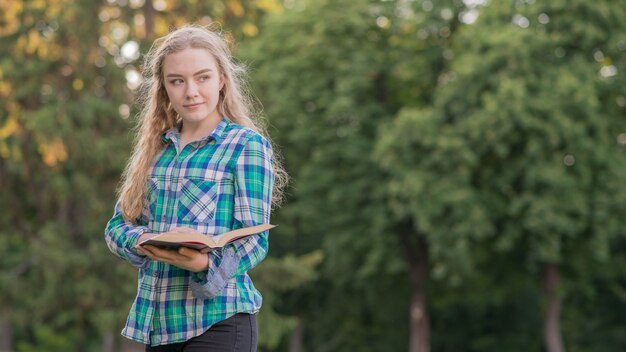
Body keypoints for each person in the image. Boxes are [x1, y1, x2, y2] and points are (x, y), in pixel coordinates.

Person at [104, 25, 286, 351]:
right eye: (177, 81)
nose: (191, 91)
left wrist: (205, 266)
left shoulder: (246, 146)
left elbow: (254, 239)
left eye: (202, 77)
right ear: (165, 89)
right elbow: (118, 227)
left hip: (219, 319)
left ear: (222, 81)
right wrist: (144, 241)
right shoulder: (154, 152)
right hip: (160, 325)